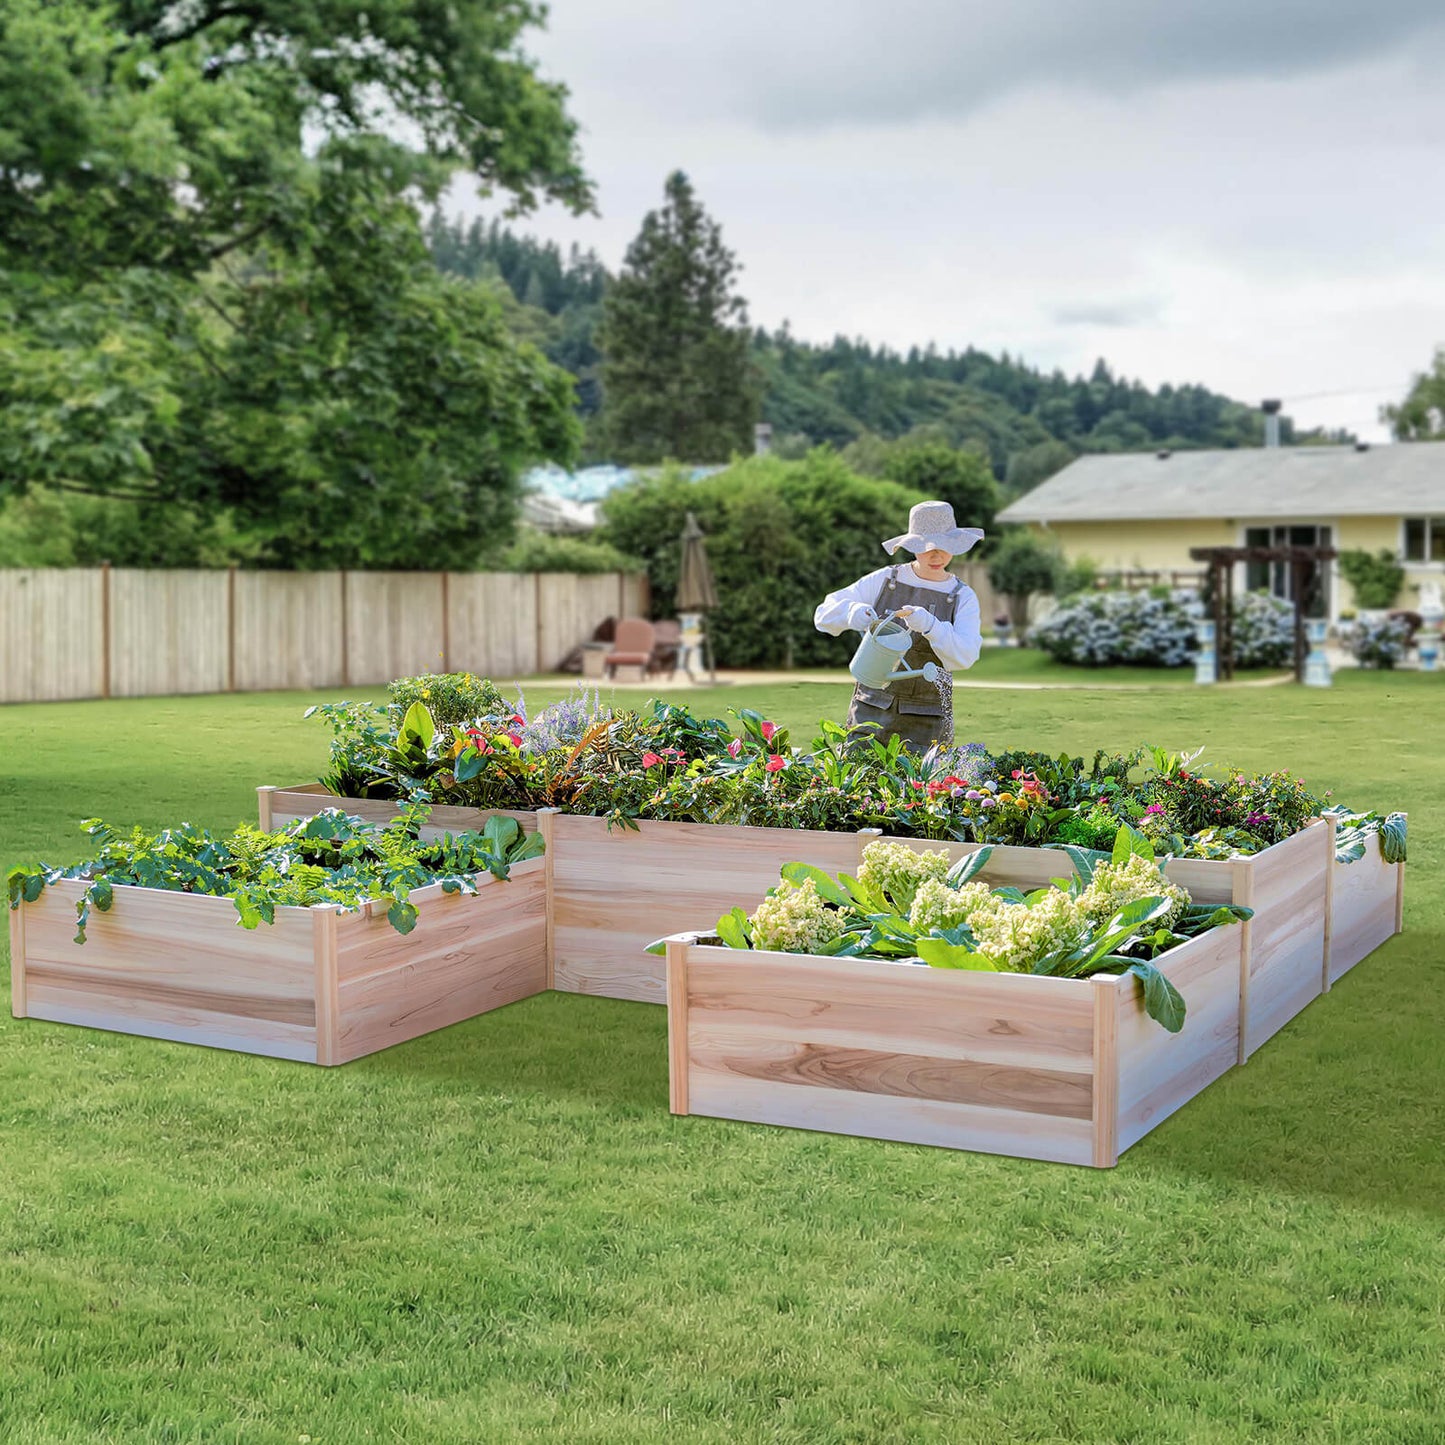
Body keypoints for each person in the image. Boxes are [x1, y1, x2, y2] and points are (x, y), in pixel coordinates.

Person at [814, 500, 984, 752]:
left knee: (922, 788)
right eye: (926, 547)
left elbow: (966, 655)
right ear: (912, 545)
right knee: (856, 788)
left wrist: (930, 625)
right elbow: (822, 615)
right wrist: (853, 613)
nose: (936, 555)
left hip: (927, 721)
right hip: (870, 711)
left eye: (944, 545)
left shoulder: (962, 596)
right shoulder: (886, 580)